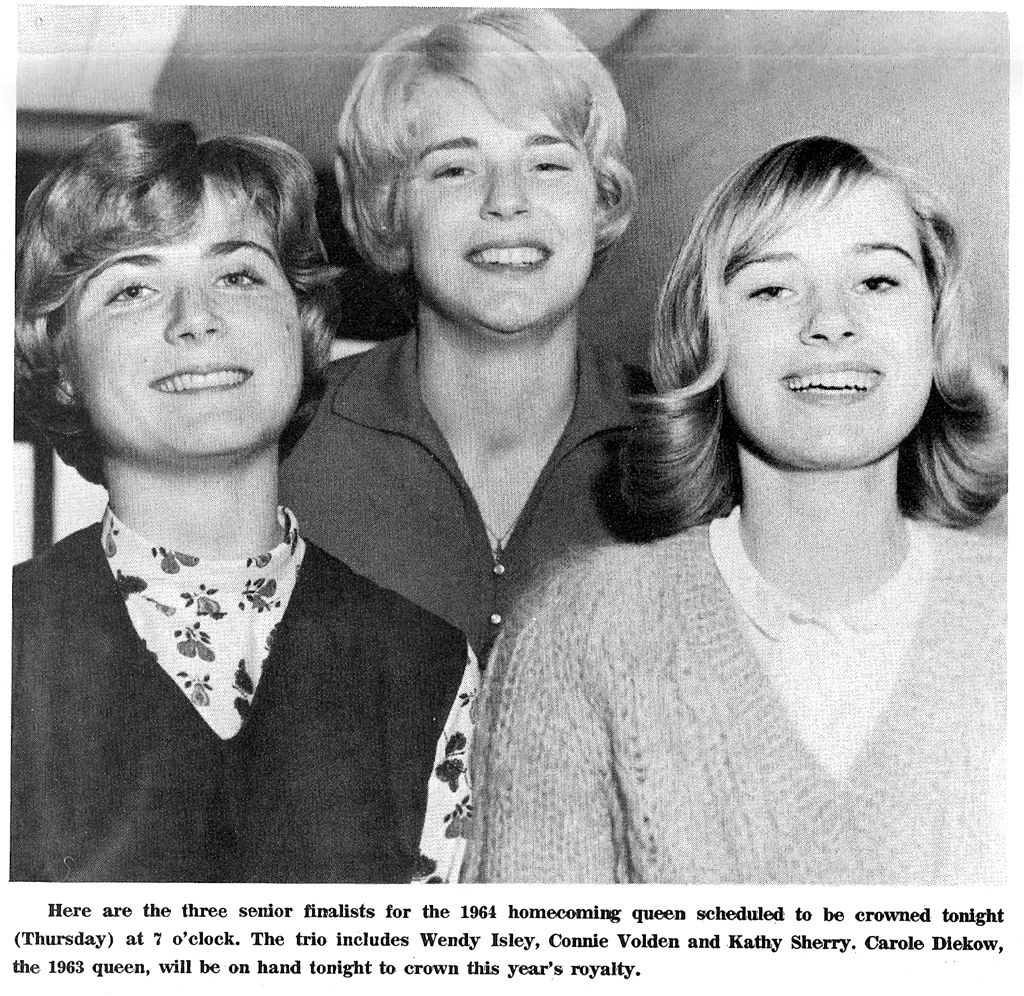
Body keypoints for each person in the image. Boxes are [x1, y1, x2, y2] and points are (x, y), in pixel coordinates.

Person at [465, 136, 1007, 885]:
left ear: (935, 326)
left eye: (878, 281)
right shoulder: (579, 634)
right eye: (773, 289)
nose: (831, 322)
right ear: (707, 340)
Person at [11, 120, 467, 883]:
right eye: (132, 288)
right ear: (61, 363)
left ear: (303, 322)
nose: (196, 318)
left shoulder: (427, 666)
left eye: (239, 276)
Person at [280, 7, 640, 660]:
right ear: (391, 212)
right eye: (455, 169)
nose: (507, 200)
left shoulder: (690, 440)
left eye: (548, 164)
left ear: (600, 200)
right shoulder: (287, 436)